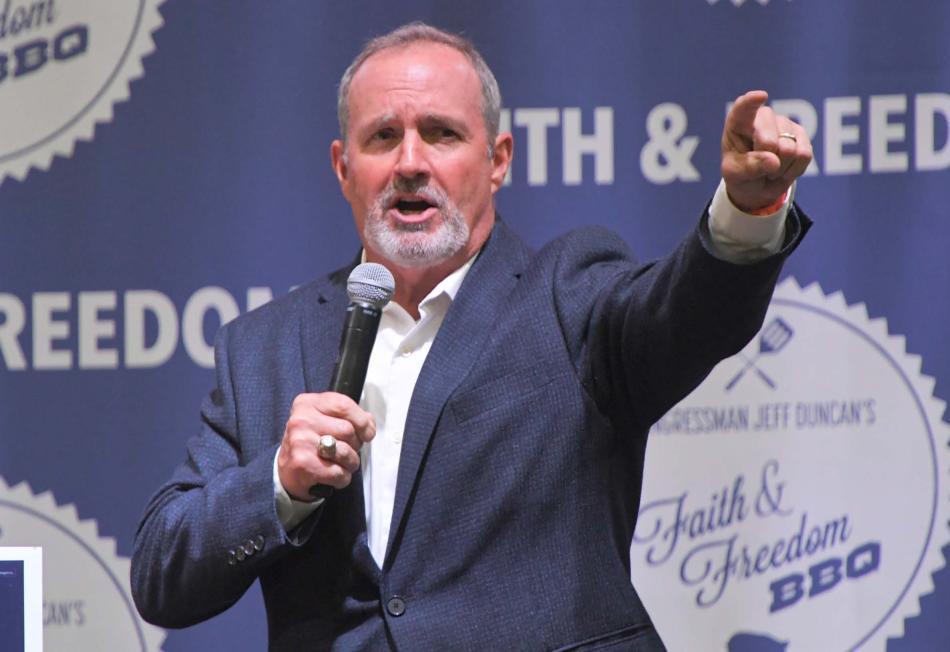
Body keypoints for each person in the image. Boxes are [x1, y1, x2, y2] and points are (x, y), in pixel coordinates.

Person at [131, 21, 812, 651]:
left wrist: (745, 214)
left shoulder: (567, 293)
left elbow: (685, 315)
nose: (409, 162)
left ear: (497, 159)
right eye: (381, 138)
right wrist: (280, 482)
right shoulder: (262, 348)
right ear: (342, 168)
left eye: (441, 134)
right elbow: (163, 571)